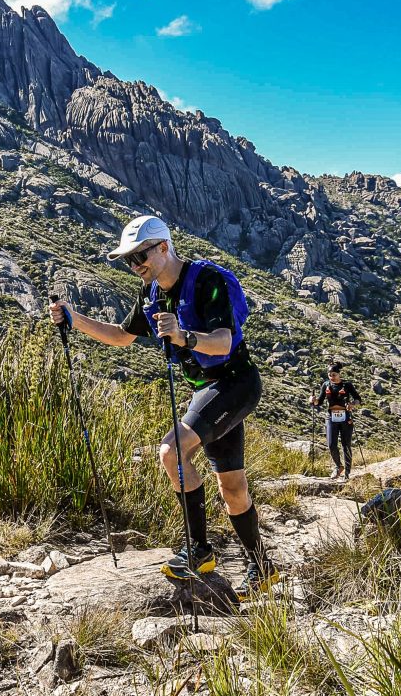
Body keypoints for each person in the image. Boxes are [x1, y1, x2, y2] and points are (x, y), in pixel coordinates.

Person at [49, 215, 279, 600]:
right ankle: (262, 566)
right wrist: (74, 319)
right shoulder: (151, 294)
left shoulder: (206, 280)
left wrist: (183, 336)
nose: (135, 265)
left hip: (236, 384)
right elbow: (121, 336)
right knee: (233, 488)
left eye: (140, 256)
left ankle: (199, 550)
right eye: (129, 260)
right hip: (208, 391)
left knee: (170, 451)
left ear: (163, 247)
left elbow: (224, 342)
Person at [310, 362, 362, 480]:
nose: (331, 377)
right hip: (331, 417)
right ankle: (338, 466)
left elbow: (358, 398)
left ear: (339, 374)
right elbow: (319, 402)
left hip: (345, 417)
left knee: (346, 445)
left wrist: (353, 404)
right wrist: (313, 400)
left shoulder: (347, 385)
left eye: (334, 374)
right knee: (331, 444)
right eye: (329, 375)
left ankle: (347, 473)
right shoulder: (326, 385)